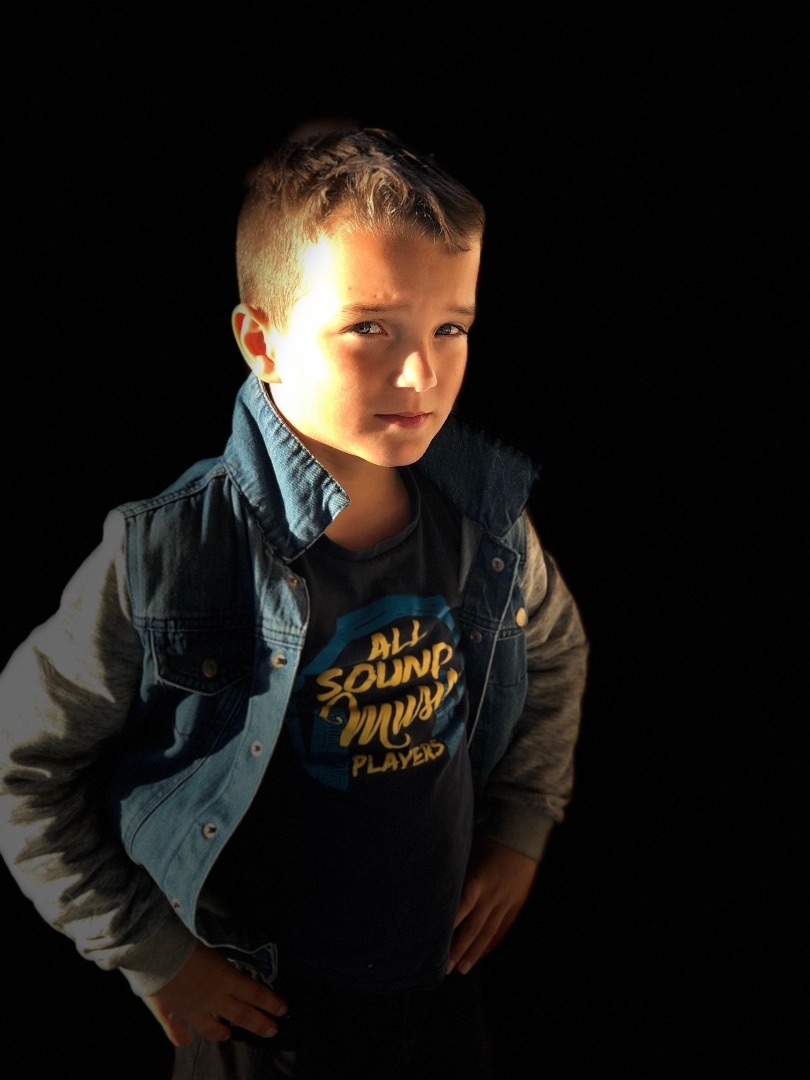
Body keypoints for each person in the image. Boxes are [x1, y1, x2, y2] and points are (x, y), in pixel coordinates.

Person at [0, 126, 588, 1079]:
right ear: (261, 341)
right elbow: (24, 770)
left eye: (451, 328)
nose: (421, 374)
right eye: (370, 328)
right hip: (261, 1021)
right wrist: (154, 954)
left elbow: (555, 651)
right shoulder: (167, 551)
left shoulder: (486, 523)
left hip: (437, 986)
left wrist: (522, 824)